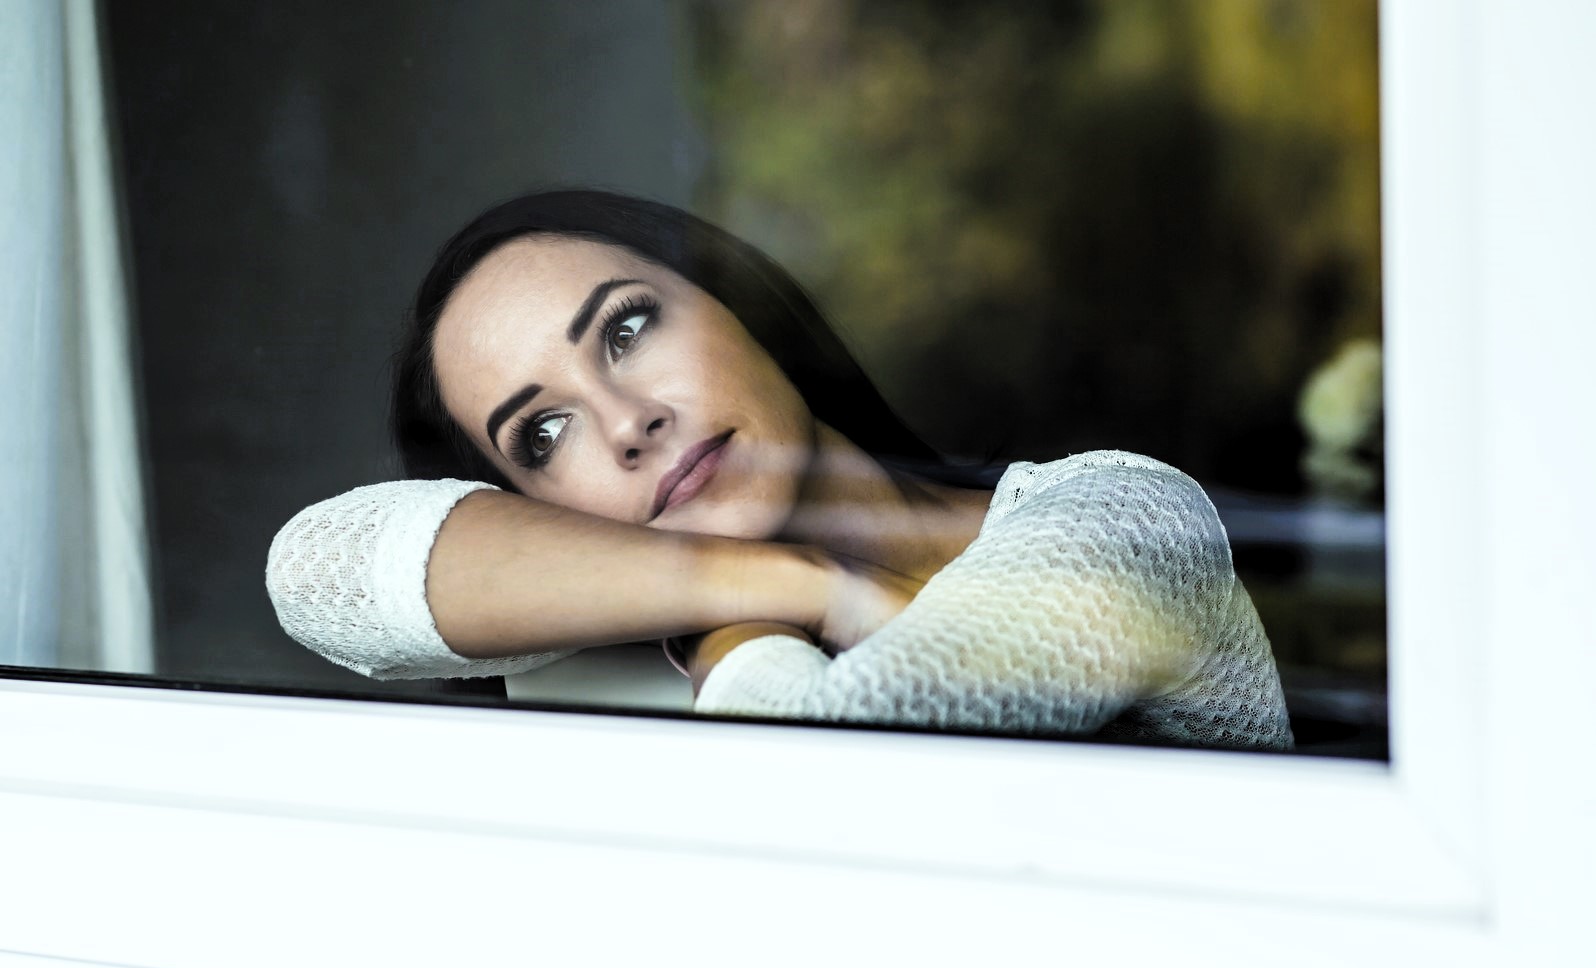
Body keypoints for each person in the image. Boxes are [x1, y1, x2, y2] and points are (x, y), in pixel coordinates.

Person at [266, 190, 1293, 750]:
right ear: (535, 510)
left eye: (626, 328)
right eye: (542, 434)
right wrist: (785, 584)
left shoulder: (1126, 517)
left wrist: (740, 633)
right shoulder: (660, 620)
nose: (628, 422)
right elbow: (314, 573)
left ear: (737, 305)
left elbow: (834, 760)